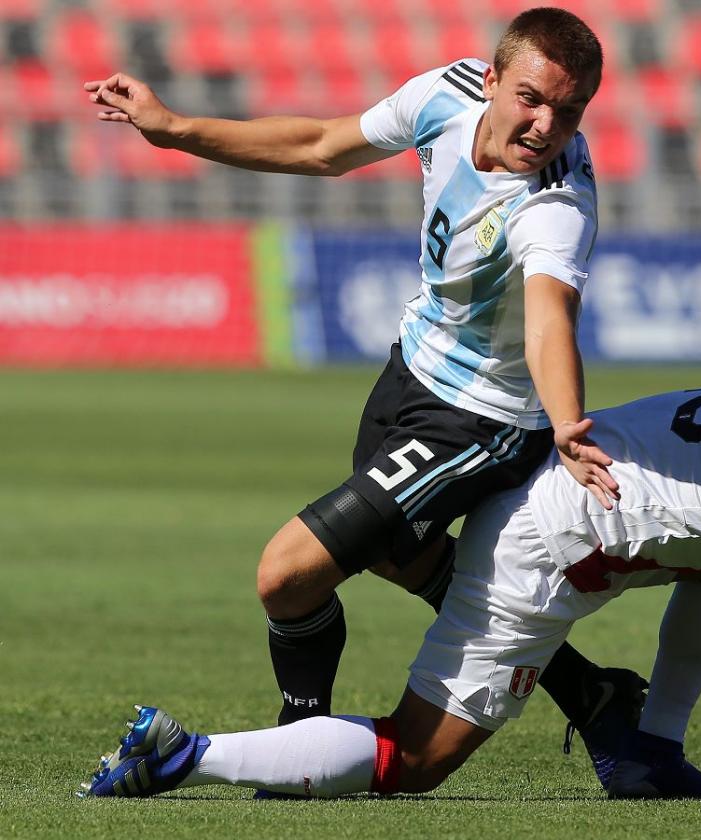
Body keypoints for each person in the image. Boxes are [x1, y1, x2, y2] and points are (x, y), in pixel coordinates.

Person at [82, 7, 640, 787]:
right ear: (490, 81)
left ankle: (295, 741)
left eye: (571, 109)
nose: (548, 125)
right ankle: (592, 692)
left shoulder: (555, 204)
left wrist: (565, 422)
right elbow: (319, 145)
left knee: (287, 573)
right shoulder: (445, 96)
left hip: (484, 419)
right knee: (398, 555)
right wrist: (174, 129)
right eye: (532, 98)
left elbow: (550, 321)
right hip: (410, 372)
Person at [81, 384, 701, 811]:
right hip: (544, 543)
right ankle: (185, 757)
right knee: (414, 759)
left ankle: (648, 755)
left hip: (576, 495)